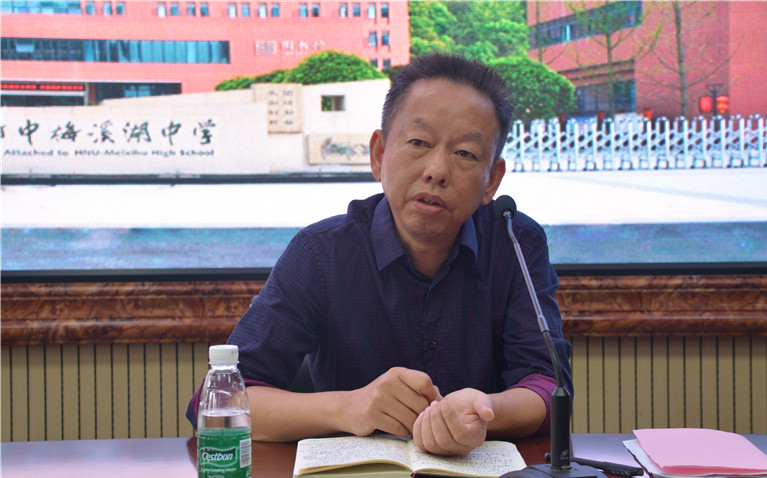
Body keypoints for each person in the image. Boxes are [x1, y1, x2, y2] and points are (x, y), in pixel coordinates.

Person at [187, 52, 572, 456]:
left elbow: (548, 385)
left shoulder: (515, 242)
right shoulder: (321, 252)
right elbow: (215, 404)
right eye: (419, 143)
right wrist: (349, 407)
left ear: (491, 180)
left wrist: (483, 411)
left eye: (465, 153)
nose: (437, 170)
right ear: (379, 154)